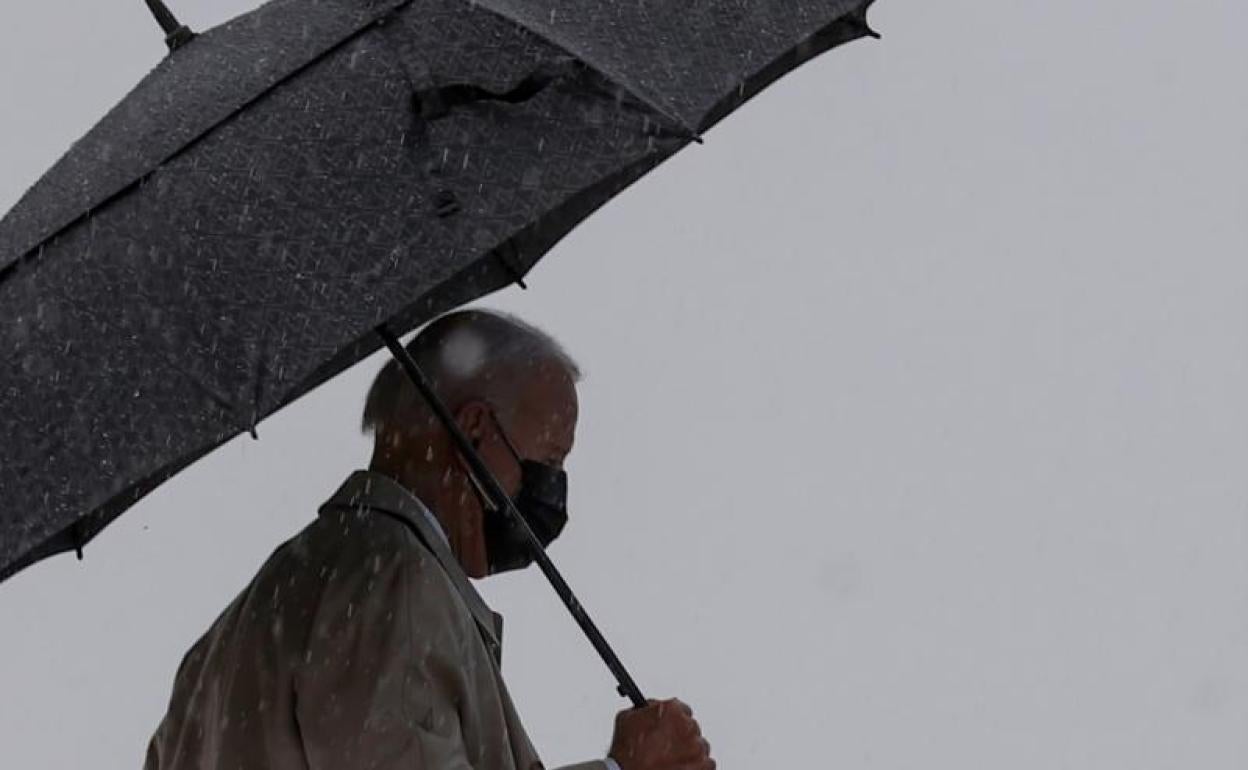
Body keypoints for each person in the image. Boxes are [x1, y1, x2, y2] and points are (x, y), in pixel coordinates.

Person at [144, 309, 715, 770]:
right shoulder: (393, 584)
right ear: (473, 432)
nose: (553, 489)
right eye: (551, 458)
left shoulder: (243, 623)